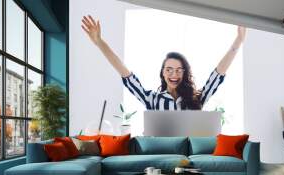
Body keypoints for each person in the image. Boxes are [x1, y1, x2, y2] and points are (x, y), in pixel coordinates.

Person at [81, 15, 246, 110]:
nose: (174, 74)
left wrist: (238, 40)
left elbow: (218, 74)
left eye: (179, 70)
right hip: (161, 154)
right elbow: (124, 73)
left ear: (185, 73)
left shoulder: (197, 98)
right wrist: (99, 43)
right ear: (162, 73)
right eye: (169, 70)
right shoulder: (152, 99)